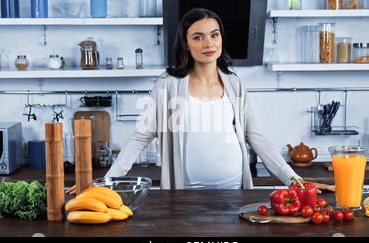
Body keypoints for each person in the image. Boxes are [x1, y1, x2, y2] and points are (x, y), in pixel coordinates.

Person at [68, 8, 334, 194]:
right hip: (185, 194)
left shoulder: (234, 83)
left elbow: (258, 138)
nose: (208, 43)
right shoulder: (168, 84)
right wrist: (107, 180)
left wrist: (295, 181)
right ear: (185, 43)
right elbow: (140, 137)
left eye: (214, 34)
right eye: (198, 36)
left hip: (234, 192)